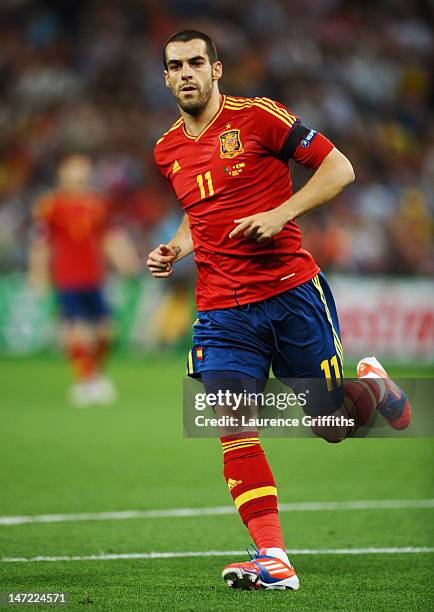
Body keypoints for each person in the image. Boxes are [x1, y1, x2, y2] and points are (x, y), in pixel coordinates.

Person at [147, 30, 411, 591]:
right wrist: (175, 247)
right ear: (166, 78)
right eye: (176, 66)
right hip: (221, 311)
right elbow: (200, 213)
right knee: (233, 427)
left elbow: (341, 168)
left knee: (332, 426)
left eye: (197, 62)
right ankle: (273, 557)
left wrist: (281, 212)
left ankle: (374, 384)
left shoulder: (260, 117)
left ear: (217, 69)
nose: (187, 72)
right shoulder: (166, 149)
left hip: (291, 295)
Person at [29, 152, 140, 406]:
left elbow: (109, 237)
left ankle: (94, 376)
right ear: (63, 172)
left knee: (106, 332)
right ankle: (84, 382)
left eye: (84, 167)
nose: (80, 172)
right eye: (75, 167)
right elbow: (41, 244)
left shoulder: (97, 203)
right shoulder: (50, 205)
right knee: (76, 331)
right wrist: (38, 275)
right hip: (67, 278)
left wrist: (125, 260)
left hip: (95, 276)